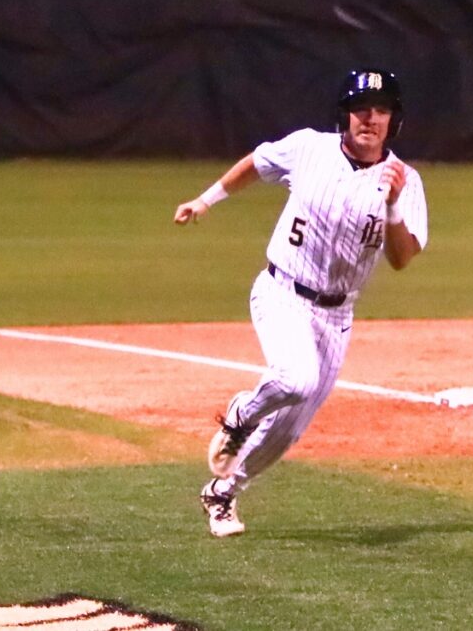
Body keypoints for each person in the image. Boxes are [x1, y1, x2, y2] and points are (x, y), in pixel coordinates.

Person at [173, 68, 428, 538]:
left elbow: (402, 257)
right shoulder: (310, 147)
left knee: (289, 430)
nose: (370, 118)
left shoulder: (405, 182)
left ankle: (221, 493)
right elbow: (258, 162)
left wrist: (393, 205)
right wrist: (206, 201)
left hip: (337, 316)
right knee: (295, 377)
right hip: (282, 290)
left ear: (394, 119)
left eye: (381, 110)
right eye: (360, 109)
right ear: (345, 114)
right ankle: (240, 414)